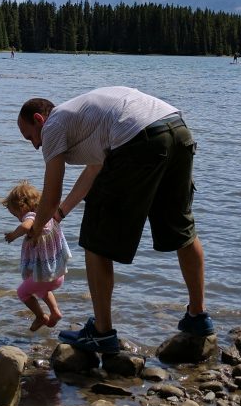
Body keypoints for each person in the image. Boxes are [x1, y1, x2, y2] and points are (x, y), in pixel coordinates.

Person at [17, 86, 213, 354]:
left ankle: (102, 333)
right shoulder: (82, 120)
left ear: (39, 119)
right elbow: (94, 171)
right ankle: (198, 317)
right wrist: (58, 216)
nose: (35, 145)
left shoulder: (53, 125)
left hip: (137, 138)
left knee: (95, 240)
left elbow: (50, 193)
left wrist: (36, 230)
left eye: (30, 136)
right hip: (177, 129)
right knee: (182, 230)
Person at [1, 179, 71, 331]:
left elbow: (26, 226)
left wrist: (13, 235)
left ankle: (41, 316)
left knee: (22, 293)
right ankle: (55, 312)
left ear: (22, 207)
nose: (18, 218)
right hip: (56, 273)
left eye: (16, 215)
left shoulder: (32, 216)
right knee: (42, 291)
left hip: (44, 277)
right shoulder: (49, 217)